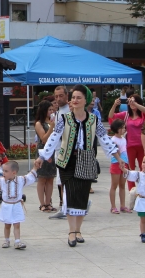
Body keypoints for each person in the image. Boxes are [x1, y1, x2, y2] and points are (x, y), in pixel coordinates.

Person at [35, 85, 123, 248]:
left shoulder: (94, 120)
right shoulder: (64, 119)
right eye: (73, 97)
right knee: (69, 195)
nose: (75, 100)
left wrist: (118, 157)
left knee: (82, 195)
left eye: (78, 98)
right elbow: (54, 138)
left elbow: (105, 139)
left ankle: (78, 230)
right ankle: (71, 231)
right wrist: (43, 156)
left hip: (87, 160)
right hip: (67, 160)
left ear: (86, 100)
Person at [0, 160, 39, 249]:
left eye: (6, 171)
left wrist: (35, 167)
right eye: (3, 171)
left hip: (17, 205)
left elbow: (30, 177)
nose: (3, 173)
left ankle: (17, 241)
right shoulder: (1, 181)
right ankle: (6, 240)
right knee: (7, 225)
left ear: (14, 172)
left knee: (17, 224)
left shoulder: (21, 180)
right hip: (6, 206)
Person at [108, 94, 145, 189]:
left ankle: (143, 188)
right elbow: (111, 117)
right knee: (130, 169)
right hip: (129, 146)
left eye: (134, 101)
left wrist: (135, 103)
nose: (132, 103)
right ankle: (132, 190)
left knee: (144, 167)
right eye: (130, 101)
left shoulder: (143, 115)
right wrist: (115, 105)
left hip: (142, 145)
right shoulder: (126, 114)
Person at [50, 86, 71, 219]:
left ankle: (68, 206)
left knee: (66, 179)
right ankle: (64, 205)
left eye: (61, 95)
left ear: (67, 95)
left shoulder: (69, 111)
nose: (58, 99)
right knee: (60, 180)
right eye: (56, 96)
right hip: (59, 149)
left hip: (67, 150)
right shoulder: (58, 112)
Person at [34, 100, 57, 212]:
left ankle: (48, 203)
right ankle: (42, 204)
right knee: (42, 178)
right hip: (43, 151)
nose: (52, 112)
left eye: (52, 110)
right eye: (49, 110)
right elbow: (43, 139)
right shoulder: (39, 123)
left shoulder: (53, 122)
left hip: (53, 151)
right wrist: (51, 127)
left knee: (50, 178)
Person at [109, 119, 130, 214]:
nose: (124, 129)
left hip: (124, 164)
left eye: (124, 127)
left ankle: (122, 205)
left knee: (122, 185)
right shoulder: (113, 140)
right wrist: (119, 160)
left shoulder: (123, 139)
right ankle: (113, 206)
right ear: (116, 129)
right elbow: (116, 152)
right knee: (114, 185)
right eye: (122, 128)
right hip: (116, 164)